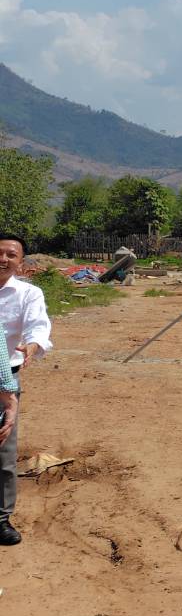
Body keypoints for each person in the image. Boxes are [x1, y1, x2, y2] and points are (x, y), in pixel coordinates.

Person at [0, 233, 52, 546]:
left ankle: (1, 518)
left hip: (5, 380)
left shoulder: (28, 294)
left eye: (11, 255)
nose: (3, 259)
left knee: (3, 451)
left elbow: (38, 327)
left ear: (20, 263)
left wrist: (31, 346)